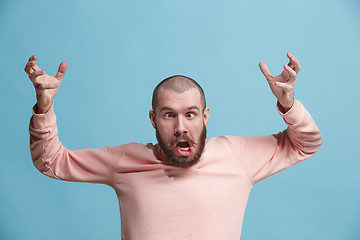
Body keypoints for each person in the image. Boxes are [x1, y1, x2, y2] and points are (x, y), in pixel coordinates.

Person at [25, 53, 322, 240]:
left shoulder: (235, 156)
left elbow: (306, 144)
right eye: (169, 115)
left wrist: (288, 103)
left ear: (205, 117)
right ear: (153, 119)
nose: (181, 127)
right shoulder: (126, 160)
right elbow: (50, 161)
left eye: (191, 114)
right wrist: (45, 106)